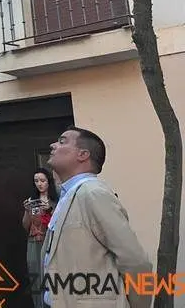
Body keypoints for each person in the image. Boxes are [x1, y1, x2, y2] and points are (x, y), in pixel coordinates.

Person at [44, 128, 151, 308]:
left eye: (62, 142)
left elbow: (137, 262)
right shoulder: (68, 196)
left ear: (83, 154)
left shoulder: (93, 193)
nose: (53, 145)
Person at [21, 167, 57, 308]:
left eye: (42, 180)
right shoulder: (32, 201)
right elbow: (26, 226)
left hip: (50, 241)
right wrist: (27, 210)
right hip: (34, 242)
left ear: (49, 182)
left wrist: (50, 209)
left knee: (51, 275)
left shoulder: (56, 200)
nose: (39, 184)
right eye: (36, 181)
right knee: (36, 275)